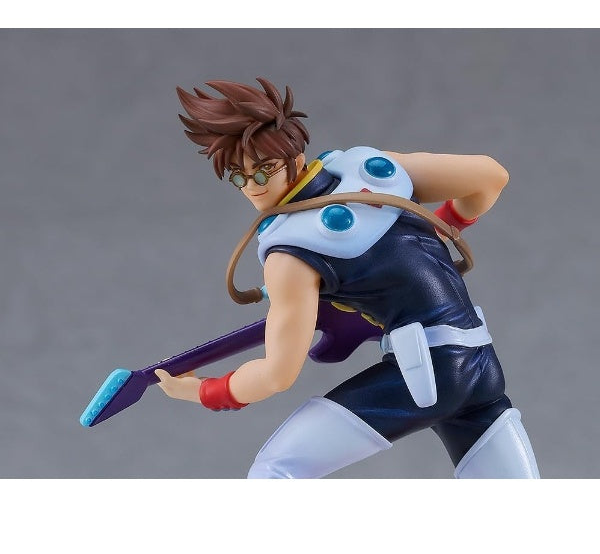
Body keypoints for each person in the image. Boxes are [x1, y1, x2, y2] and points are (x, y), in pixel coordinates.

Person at [154, 77, 540, 479]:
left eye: (265, 170)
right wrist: (442, 228)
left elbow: (277, 374)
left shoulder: (289, 255)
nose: (254, 187)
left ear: (295, 155)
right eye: (239, 176)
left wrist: (205, 391)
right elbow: (490, 177)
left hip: (426, 375)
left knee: (276, 471)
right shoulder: (371, 171)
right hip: (481, 364)